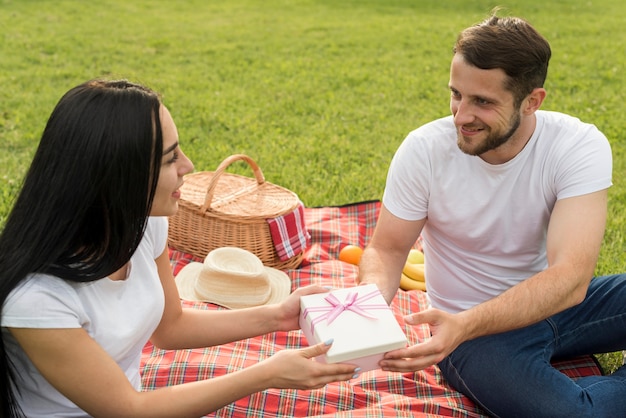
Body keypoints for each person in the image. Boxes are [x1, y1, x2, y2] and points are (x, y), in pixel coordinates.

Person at [0, 79, 359, 417]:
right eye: (171, 158)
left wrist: (280, 316)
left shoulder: (143, 225)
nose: (188, 166)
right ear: (121, 176)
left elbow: (170, 327)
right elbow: (130, 410)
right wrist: (266, 374)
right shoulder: (37, 298)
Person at [358, 12, 626, 417]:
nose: (461, 115)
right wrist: (369, 308)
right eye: (456, 94)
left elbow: (571, 279)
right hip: (467, 334)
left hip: (559, 306)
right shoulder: (424, 151)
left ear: (532, 101)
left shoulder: (576, 145)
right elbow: (389, 249)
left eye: (482, 102)